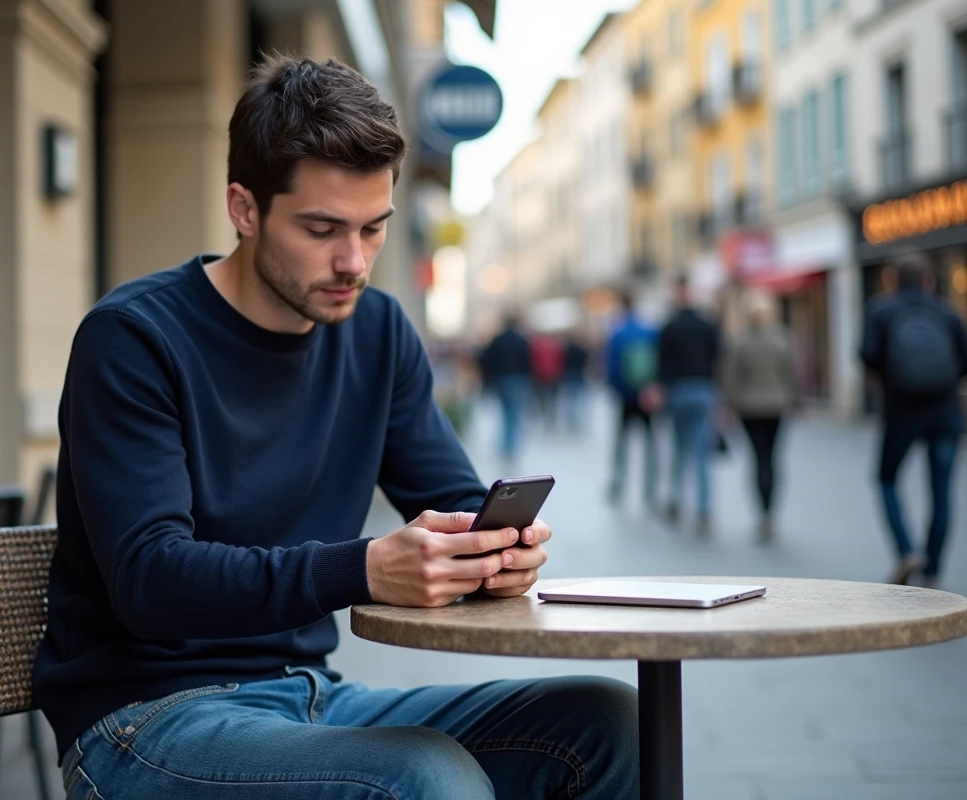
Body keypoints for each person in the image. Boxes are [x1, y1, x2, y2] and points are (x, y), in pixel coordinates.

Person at [35, 55, 638, 800]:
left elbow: (445, 492)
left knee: (609, 724)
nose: (353, 262)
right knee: (426, 781)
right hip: (146, 723)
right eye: (321, 229)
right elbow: (151, 579)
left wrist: (492, 550)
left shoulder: (378, 331)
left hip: (310, 697)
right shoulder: (133, 338)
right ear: (245, 208)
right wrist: (364, 569)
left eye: (373, 229)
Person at [860, 255, 967, 589]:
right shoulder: (947, 312)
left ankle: (907, 551)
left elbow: (866, 353)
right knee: (941, 491)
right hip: (945, 411)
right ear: (929, 281)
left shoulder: (882, 310)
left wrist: (888, 377)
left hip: (901, 411)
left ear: (892, 280)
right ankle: (933, 569)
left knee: (887, 479)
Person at [719, 290, 801, 543]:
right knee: (772, 457)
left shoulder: (740, 341)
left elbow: (730, 377)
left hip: (749, 407)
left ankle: (763, 513)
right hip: (777, 405)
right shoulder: (783, 338)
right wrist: (797, 400)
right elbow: (793, 373)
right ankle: (770, 513)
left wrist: (728, 404)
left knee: (759, 458)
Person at [657, 277, 722, 535]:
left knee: (678, 450)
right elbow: (718, 359)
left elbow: (662, 364)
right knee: (702, 454)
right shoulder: (708, 326)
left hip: (678, 392)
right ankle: (704, 509)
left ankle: (675, 500)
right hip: (704, 390)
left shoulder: (669, 327)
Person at [605, 292, 659, 506]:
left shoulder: (617, 333)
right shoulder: (650, 330)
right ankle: (650, 488)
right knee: (650, 443)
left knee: (621, 443)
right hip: (646, 395)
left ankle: (619, 482)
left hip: (625, 397)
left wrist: (617, 390)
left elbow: (611, 367)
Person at [478, 314, 534, 465]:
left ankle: (505, 445)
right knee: (514, 414)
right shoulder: (522, 341)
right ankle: (510, 446)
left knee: (504, 413)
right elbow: (530, 360)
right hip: (518, 379)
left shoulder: (498, 340)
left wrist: (490, 377)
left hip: (501, 380)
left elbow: (485, 359)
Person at [529, 330, 565, 427]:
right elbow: (561, 361)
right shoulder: (556, 347)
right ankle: (550, 416)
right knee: (552, 398)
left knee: (541, 398)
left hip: (539, 376)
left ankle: (544, 413)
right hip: (553, 375)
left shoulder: (536, 347)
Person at [563, 329, 591, 431]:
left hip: (570, 374)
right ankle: (578, 417)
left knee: (572, 397)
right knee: (579, 397)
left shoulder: (568, 349)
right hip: (579, 374)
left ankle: (573, 417)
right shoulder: (581, 349)